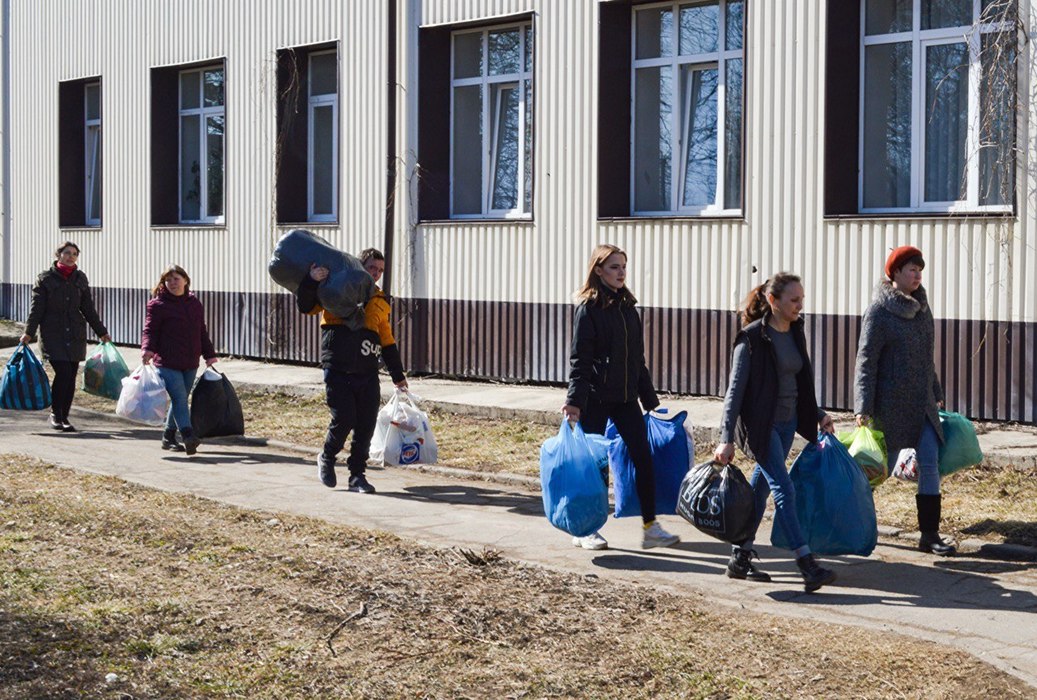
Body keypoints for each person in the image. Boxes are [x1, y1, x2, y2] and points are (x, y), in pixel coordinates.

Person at [714, 273, 837, 592]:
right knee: (784, 488)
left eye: (802, 299)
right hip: (760, 426)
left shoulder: (796, 331)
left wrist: (818, 414)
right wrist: (726, 437)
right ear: (773, 301)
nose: (800, 305)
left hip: (787, 422)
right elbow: (734, 392)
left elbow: (799, 381)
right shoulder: (751, 339)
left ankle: (740, 558)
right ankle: (806, 564)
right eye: (793, 300)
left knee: (760, 490)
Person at [562, 244, 680, 551]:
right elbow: (580, 360)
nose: (621, 272)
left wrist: (650, 400)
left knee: (644, 459)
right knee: (595, 467)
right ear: (598, 271)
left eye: (623, 266)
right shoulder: (588, 309)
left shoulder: (629, 309)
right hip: (595, 399)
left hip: (626, 398)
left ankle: (651, 527)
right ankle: (586, 529)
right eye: (614, 267)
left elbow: (636, 360)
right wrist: (574, 402)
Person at [854, 246, 954, 556]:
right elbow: (866, 361)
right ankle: (856, 521)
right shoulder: (879, 312)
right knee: (876, 470)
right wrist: (863, 407)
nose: (917, 274)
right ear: (894, 274)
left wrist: (936, 393)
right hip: (890, 406)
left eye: (919, 269)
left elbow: (927, 359)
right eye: (911, 269)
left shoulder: (923, 309)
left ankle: (930, 534)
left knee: (929, 464)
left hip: (922, 404)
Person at [298, 247, 408, 493]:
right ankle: (327, 456)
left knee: (366, 424)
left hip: (367, 370)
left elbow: (387, 341)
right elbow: (307, 306)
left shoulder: (379, 300)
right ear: (360, 265)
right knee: (344, 417)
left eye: (380, 270)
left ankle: (357, 475)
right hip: (338, 366)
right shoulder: (337, 286)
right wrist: (310, 280)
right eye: (372, 268)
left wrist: (398, 376)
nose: (376, 273)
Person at [21, 241, 111, 432]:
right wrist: (29, 333)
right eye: (67, 253)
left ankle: (65, 416)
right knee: (62, 372)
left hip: (76, 334)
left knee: (71, 376)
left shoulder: (80, 278)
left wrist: (101, 331)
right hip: (53, 334)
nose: (71, 257)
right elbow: (36, 309)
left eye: (75, 254)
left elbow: (88, 309)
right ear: (58, 255)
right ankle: (56, 413)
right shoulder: (45, 279)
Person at [140, 265, 218, 455]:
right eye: (168, 280)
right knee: (180, 397)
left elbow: (201, 331)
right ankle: (188, 434)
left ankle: (168, 436)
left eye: (176, 278)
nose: (172, 283)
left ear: (185, 280)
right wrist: (147, 349)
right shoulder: (157, 305)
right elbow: (150, 331)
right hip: (166, 361)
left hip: (190, 361)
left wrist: (209, 354)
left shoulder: (194, 304)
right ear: (163, 283)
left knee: (179, 400)